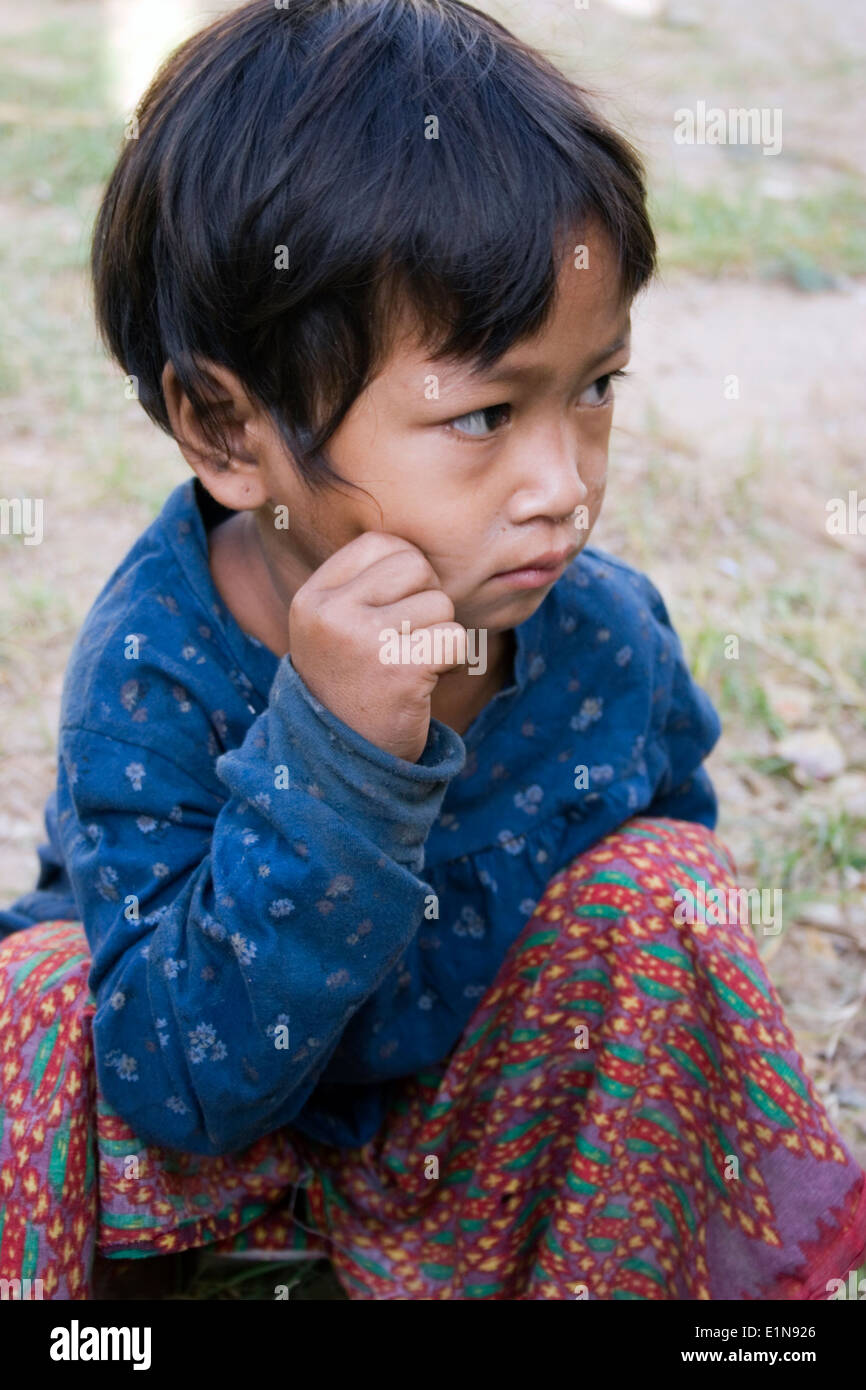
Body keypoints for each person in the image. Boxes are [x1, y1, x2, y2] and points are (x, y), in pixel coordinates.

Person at [1, 0, 863, 1300]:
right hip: (205, 1173)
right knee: (34, 992)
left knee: (668, 887)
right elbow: (174, 1079)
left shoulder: (603, 638)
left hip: (475, 1164)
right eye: (481, 415)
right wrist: (336, 768)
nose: (559, 483)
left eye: (592, 390)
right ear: (227, 432)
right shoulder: (157, 663)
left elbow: (652, 971)